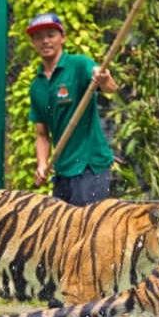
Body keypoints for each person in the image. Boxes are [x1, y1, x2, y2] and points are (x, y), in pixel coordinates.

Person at [26, 12, 118, 206]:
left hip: (90, 166)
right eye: (39, 37)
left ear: (62, 37)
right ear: (33, 42)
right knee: (62, 233)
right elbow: (42, 134)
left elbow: (110, 87)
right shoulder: (37, 86)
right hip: (62, 171)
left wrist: (103, 78)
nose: (45, 41)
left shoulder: (78, 65)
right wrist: (42, 164)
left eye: (51, 35)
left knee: (87, 230)